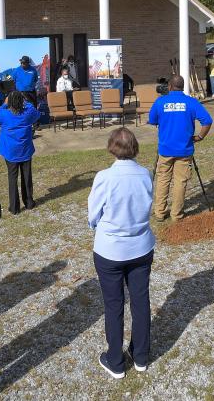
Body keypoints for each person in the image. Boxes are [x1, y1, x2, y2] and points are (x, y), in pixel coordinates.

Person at [88, 128, 155, 379]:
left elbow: (93, 213)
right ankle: (140, 355)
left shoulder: (104, 177)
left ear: (111, 147)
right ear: (135, 147)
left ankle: (115, 360)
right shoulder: (145, 174)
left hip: (111, 250)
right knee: (140, 301)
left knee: (114, 304)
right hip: (140, 246)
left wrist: (98, 227)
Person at [148, 75, 213, 222]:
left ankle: (159, 212)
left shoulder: (160, 101)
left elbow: (152, 120)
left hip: (165, 149)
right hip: (184, 149)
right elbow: (207, 121)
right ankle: (176, 215)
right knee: (180, 182)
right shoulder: (191, 102)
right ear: (183, 87)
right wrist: (200, 137)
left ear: (170, 86)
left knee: (163, 180)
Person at [0, 90, 41, 215]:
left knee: (12, 178)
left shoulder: (4, 113)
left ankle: (14, 207)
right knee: (27, 176)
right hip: (25, 150)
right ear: (21, 101)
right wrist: (26, 101)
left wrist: (4, 103)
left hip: (10, 151)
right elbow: (36, 114)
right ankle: (29, 202)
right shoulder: (28, 112)